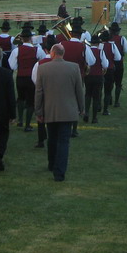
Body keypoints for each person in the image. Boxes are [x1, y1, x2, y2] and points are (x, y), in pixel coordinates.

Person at [34, 43, 84, 182]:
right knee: (63, 141)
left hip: (50, 109)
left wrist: (38, 110)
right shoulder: (74, 67)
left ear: (52, 53)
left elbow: (39, 92)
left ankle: (52, 164)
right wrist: (81, 107)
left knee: (52, 138)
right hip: (67, 110)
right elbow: (79, 90)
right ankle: (60, 171)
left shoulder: (43, 68)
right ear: (63, 53)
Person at [7, 25, 45, 131]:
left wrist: (20, 67)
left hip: (20, 77)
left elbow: (12, 66)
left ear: (22, 38)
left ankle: (20, 120)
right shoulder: (37, 50)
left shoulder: (17, 50)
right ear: (31, 38)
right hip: (31, 78)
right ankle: (27, 125)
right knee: (30, 101)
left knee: (20, 98)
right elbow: (42, 61)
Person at [109, 22, 127, 107]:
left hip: (109, 63)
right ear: (118, 31)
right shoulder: (122, 38)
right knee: (118, 83)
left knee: (109, 82)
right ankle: (116, 102)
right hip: (118, 64)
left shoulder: (107, 39)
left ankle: (109, 98)